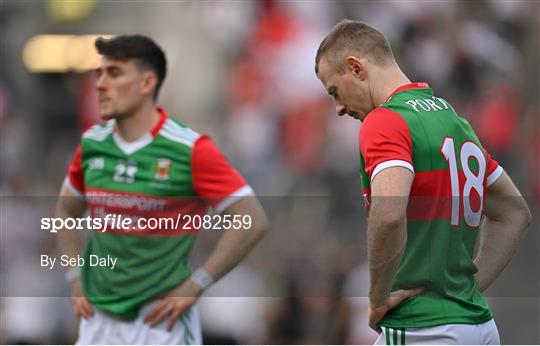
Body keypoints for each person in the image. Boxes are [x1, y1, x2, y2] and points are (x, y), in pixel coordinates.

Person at [315, 20, 531, 344]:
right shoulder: (452, 119)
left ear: (356, 68)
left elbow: (388, 216)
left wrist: (377, 299)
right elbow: (514, 212)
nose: (340, 108)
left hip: (424, 329)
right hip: (479, 328)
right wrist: (465, 291)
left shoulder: (384, 121)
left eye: (335, 92)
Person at [55, 35, 269, 344]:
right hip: (98, 322)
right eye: (99, 74)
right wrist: (74, 277)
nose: (100, 84)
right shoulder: (92, 144)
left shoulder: (190, 149)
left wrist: (197, 284)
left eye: (114, 74)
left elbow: (252, 219)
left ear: (146, 84)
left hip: (160, 324)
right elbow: (65, 210)